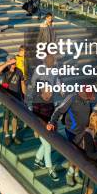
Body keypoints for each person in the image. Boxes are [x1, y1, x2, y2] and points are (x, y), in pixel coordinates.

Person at [48, 90, 94, 187]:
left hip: (83, 131)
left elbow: (91, 114)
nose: (89, 99)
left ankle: (76, 174)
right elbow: (59, 110)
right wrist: (52, 122)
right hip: (71, 131)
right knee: (74, 153)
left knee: (81, 153)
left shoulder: (88, 100)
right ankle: (69, 174)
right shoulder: (72, 97)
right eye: (88, 97)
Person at [30, 54, 61, 182]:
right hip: (41, 124)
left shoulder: (50, 101)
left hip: (48, 123)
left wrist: (58, 89)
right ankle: (50, 169)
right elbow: (33, 82)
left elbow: (57, 80)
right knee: (48, 146)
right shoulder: (39, 70)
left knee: (46, 144)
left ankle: (38, 160)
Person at [0, 57, 26, 146]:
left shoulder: (19, 71)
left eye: (14, 63)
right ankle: (6, 135)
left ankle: (14, 134)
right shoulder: (5, 70)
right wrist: (6, 64)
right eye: (12, 63)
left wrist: (24, 96)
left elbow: (22, 85)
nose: (14, 65)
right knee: (6, 117)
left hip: (17, 98)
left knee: (15, 117)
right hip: (6, 98)